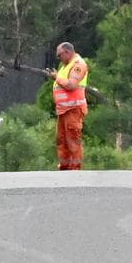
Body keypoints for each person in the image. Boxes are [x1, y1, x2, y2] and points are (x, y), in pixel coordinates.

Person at [50, 42, 89, 170]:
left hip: (73, 109)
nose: (59, 58)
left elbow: (71, 85)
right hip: (63, 110)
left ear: (67, 52)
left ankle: (75, 168)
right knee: (61, 140)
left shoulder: (78, 65)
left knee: (73, 139)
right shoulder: (65, 66)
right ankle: (65, 166)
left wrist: (57, 77)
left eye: (59, 55)